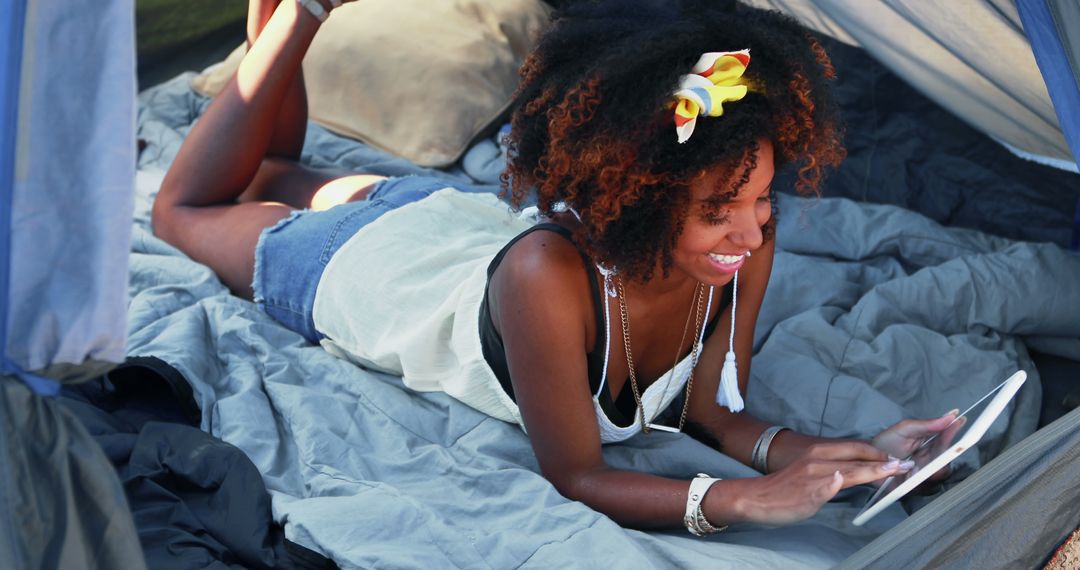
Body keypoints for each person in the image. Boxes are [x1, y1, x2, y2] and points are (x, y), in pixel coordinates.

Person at [153, 0, 965, 534]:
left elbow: (716, 414)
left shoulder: (741, 251)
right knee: (183, 212)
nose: (750, 235)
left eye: (759, 202)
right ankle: (297, 21)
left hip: (447, 224)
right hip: (360, 266)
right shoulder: (543, 278)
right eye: (718, 209)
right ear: (638, 201)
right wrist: (738, 500)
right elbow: (576, 473)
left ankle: (279, 33)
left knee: (272, 171)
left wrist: (856, 454)